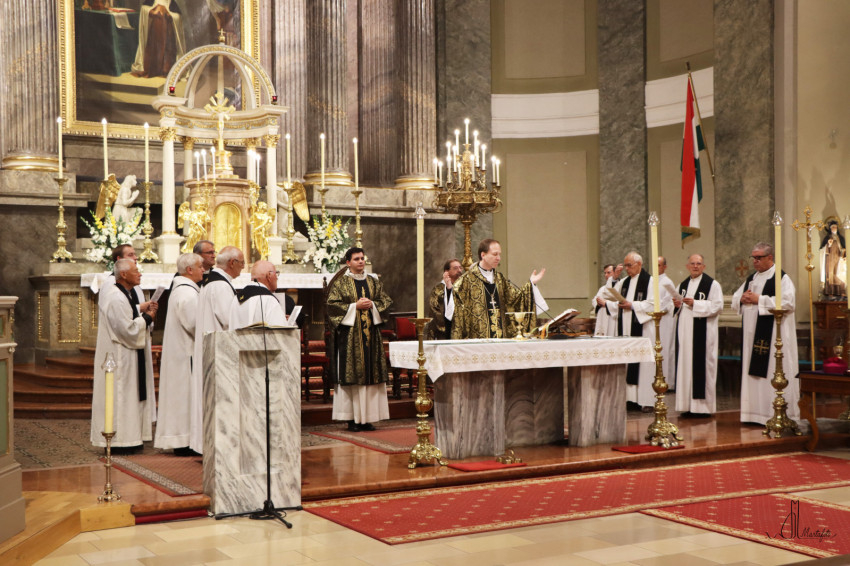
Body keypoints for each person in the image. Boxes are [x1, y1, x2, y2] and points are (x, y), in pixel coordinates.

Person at [90, 259, 158, 451]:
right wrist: (147, 318)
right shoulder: (115, 296)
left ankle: (129, 438)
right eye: (136, 271)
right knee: (120, 396)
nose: (140, 274)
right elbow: (127, 329)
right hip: (119, 356)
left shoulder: (122, 293)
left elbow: (125, 313)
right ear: (124, 275)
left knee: (127, 396)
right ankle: (120, 441)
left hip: (126, 354)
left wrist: (140, 310)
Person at [731, 242, 800, 425]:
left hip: (775, 337)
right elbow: (736, 298)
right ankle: (753, 414)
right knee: (754, 374)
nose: (755, 261)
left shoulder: (781, 278)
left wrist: (759, 299)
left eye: (759, 257)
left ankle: (776, 413)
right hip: (752, 336)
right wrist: (742, 299)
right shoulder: (752, 278)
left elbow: (788, 303)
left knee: (771, 370)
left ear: (770, 257)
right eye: (753, 257)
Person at [327, 247, 393, 432]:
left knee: (371, 376)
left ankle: (367, 419)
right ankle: (352, 419)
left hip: (371, 338)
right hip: (350, 339)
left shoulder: (373, 282)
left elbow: (386, 302)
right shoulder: (341, 283)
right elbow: (332, 306)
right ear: (348, 262)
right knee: (353, 377)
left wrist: (373, 305)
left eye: (362, 258)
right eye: (356, 259)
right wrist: (354, 306)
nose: (361, 261)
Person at [189, 246, 243, 454]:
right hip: (219, 350)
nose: (243, 267)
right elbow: (229, 319)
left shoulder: (213, 283)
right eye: (241, 263)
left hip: (212, 347)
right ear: (232, 263)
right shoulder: (220, 286)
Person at [605, 252, 668, 411]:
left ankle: (646, 401)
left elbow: (654, 304)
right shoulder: (624, 282)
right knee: (628, 362)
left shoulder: (650, 282)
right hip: (626, 328)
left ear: (639, 264)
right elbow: (609, 295)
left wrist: (632, 305)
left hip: (643, 329)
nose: (627, 269)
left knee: (644, 366)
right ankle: (630, 399)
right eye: (625, 265)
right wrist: (614, 279)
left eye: (629, 265)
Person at [154, 253, 203, 455]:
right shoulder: (187, 294)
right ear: (189, 270)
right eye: (200, 266)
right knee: (185, 398)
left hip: (181, 353)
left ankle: (183, 440)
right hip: (186, 354)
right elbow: (194, 324)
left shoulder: (182, 290)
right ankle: (185, 440)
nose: (203, 270)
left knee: (181, 398)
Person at [450, 239, 547, 339]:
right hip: (478, 341)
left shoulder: (500, 279)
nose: (498, 258)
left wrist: (531, 284)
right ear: (483, 255)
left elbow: (516, 299)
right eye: (495, 254)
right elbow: (457, 317)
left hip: (501, 340)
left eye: (499, 254)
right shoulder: (465, 281)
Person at [672, 254, 723, 417]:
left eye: (699, 263)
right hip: (685, 334)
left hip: (704, 334)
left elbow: (718, 306)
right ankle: (687, 406)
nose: (695, 266)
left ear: (704, 266)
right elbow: (676, 309)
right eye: (692, 263)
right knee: (685, 367)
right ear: (687, 266)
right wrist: (677, 305)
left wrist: (696, 303)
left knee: (703, 367)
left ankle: (703, 408)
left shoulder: (712, 285)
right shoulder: (682, 285)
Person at [230, 260, 294, 329]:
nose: (277, 277)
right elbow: (280, 332)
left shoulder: (236, 299)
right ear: (269, 276)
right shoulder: (269, 300)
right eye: (276, 273)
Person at [131, 0, 186, 78]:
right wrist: (153, 11)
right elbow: (144, 9)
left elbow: (178, 17)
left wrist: (168, 13)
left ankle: (166, 68)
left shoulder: (171, 3)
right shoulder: (151, 1)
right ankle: (153, 67)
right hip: (154, 34)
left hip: (168, 35)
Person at [425, 258, 463, 340]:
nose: (459, 270)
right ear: (446, 272)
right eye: (455, 268)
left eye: (460, 268)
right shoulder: (438, 290)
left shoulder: (463, 288)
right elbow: (435, 312)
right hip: (444, 334)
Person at [657, 256, 678, 388]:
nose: (656, 268)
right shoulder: (651, 281)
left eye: (658, 265)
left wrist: (652, 309)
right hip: (653, 321)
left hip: (665, 320)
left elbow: (667, 302)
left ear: (664, 267)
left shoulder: (667, 282)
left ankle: (668, 382)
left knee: (666, 350)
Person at [592, 263, 622, 336]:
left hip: (612, 318)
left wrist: (606, 303)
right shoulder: (602, 288)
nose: (606, 275)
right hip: (602, 317)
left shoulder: (621, 286)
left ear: (615, 272)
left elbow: (618, 300)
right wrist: (598, 302)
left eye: (608, 272)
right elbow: (594, 300)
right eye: (605, 273)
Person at [821, 220, 846, 298]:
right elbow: (822, 249)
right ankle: (830, 292)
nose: (834, 228)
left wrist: (844, 254)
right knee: (831, 275)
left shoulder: (840, 238)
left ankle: (841, 291)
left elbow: (844, 247)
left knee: (839, 274)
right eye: (833, 227)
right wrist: (829, 245)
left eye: (835, 227)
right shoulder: (827, 238)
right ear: (830, 229)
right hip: (830, 259)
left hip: (839, 259)